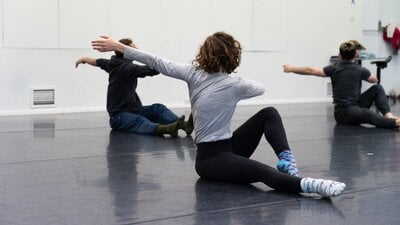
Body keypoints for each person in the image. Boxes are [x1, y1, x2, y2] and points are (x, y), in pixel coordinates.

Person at [91, 32, 346, 197]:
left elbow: (159, 61)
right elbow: (260, 88)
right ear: (232, 57)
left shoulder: (194, 72)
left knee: (269, 113)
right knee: (260, 170)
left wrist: (118, 47)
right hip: (209, 160)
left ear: (206, 54)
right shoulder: (234, 83)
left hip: (230, 146)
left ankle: (288, 162)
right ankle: (309, 185)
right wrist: (232, 79)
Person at [76, 38, 193, 137]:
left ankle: (182, 125)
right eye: (133, 50)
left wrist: (84, 59)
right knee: (140, 121)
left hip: (134, 109)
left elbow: (97, 62)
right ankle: (166, 129)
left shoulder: (112, 63)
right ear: (129, 52)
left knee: (158, 108)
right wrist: (139, 52)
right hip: (119, 117)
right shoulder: (127, 68)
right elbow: (154, 69)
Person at [283, 41, 400, 129]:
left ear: (340, 55)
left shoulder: (335, 68)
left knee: (376, 90)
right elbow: (374, 80)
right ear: (355, 55)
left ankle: (389, 115)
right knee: (369, 111)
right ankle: (395, 122)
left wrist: (291, 68)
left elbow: (310, 70)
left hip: (354, 107)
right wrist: (372, 76)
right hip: (344, 113)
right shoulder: (359, 69)